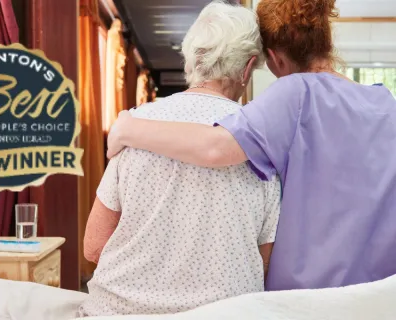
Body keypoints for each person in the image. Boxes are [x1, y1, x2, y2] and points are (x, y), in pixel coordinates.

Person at [107, 0, 396, 291]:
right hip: (378, 293)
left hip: (308, 298)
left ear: (274, 57)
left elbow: (215, 148)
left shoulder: (296, 92)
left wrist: (129, 128)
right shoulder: (385, 102)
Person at [79, 2, 281, 316]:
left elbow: (94, 246)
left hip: (118, 311)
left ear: (191, 58)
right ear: (247, 68)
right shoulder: (261, 139)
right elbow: (265, 259)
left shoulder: (134, 125)